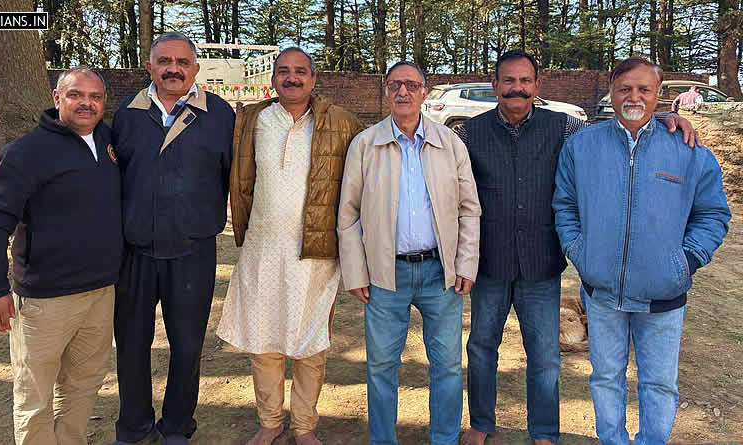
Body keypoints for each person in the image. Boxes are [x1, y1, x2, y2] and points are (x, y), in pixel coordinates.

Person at [456, 50, 700, 445]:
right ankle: (482, 422)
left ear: (538, 86)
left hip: (541, 261)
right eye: (508, 81)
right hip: (490, 261)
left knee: (545, 355)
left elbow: (620, 124)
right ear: (495, 85)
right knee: (482, 346)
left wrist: (663, 119)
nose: (516, 88)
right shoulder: (469, 132)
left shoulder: (566, 128)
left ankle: (545, 431)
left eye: (525, 81)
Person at [553, 56, 730, 445]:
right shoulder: (582, 146)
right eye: (625, 88)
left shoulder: (687, 148)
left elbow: (713, 213)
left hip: (664, 294)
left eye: (644, 89)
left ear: (658, 95)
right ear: (611, 92)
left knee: (659, 384)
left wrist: (685, 261)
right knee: (605, 378)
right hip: (601, 294)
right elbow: (564, 205)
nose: (634, 96)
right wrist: (578, 250)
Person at [216, 47, 362, 445]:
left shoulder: (341, 123)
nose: (292, 78)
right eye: (284, 71)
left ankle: (304, 426)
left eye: (300, 71)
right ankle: (269, 421)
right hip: (261, 248)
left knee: (309, 341)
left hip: (314, 253)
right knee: (263, 339)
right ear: (273, 78)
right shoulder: (251, 121)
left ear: (314, 79)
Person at [0, 68, 122, 445]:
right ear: (58, 98)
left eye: (95, 96)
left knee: (83, 385)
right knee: (35, 395)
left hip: (101, 293)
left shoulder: (109, 142)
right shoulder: (26, 152)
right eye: (76, 95)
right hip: (44, 300)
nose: (86, 103)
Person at [338, 61, 481, 445]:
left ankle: (444, 438)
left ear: (424, 91)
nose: (403, 92)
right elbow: (348, 214)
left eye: (412, 85)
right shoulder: (365, 144)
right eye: (395, 85)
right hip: (385, 275)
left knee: (448, 366)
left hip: (441, 273)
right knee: (382, 366)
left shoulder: (450, 143)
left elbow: (469, 209)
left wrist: (465, 263)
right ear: (386, 91)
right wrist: (355, 272)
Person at [111, 32, 235, 445]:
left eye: (183, 62)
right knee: (131, 343)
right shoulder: (127, 114)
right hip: (135, 252)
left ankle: (178, 424)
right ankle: (134, 424)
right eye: (164, 60)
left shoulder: (219, 114)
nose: (173, 69)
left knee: (187, 344)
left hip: (192, 250)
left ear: (196, 68)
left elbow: (231, 176)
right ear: (149, 67)